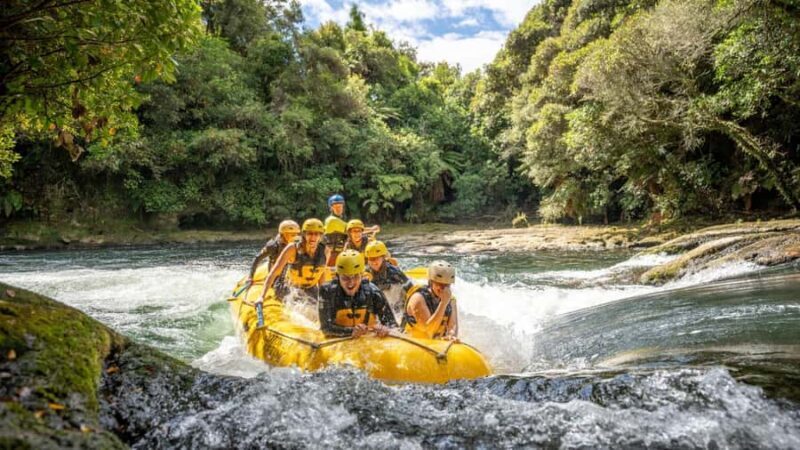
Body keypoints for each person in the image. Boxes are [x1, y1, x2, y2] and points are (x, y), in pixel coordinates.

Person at [319, 250, 398, 338]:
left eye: (356, 276)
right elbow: (325, 328)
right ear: (337, 276)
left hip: (367, 341)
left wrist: (385, 329)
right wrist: (351, 331)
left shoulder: (374, 293)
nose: (351, 283)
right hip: (339, 340)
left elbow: (393, 326)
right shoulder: (327, 292)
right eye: (345, 278)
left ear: (362, 275)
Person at [260, 218, 328, 303]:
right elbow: (274, 273)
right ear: (304, 234)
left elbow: (321, 273)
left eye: (316, 234)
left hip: (310, 289)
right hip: (289, 288)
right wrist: (261, 297)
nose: (313, 237)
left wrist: (324, 295)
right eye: (310, 233)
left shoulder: (325, 250)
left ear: (320, 236)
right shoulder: (292, 248)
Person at [402, 260, 458, 340]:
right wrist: (443, 303)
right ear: (431, 282)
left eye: (447, 285)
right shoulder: (418, 298)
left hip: (434, 342)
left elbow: (452, 327)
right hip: (413, 341)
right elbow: (429, 330)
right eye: (440, 284)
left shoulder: (451, 300)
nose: (443, 288)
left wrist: (451, 335)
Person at [364, 240, 412, 318]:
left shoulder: (394, 272)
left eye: (376, 258)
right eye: (370, 259)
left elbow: (410, 290)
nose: (373, 262)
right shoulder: (365, 274)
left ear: (383, 258)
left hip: (396, 304)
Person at [323, 194, 348, 266]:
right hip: (332, 255)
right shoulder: (331, 220)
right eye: (336, 207)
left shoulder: (339, 220)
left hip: (340, 253)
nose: (339, 209)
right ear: (331, 208)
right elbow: (352, 228)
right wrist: (371, 229)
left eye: (340, 206)